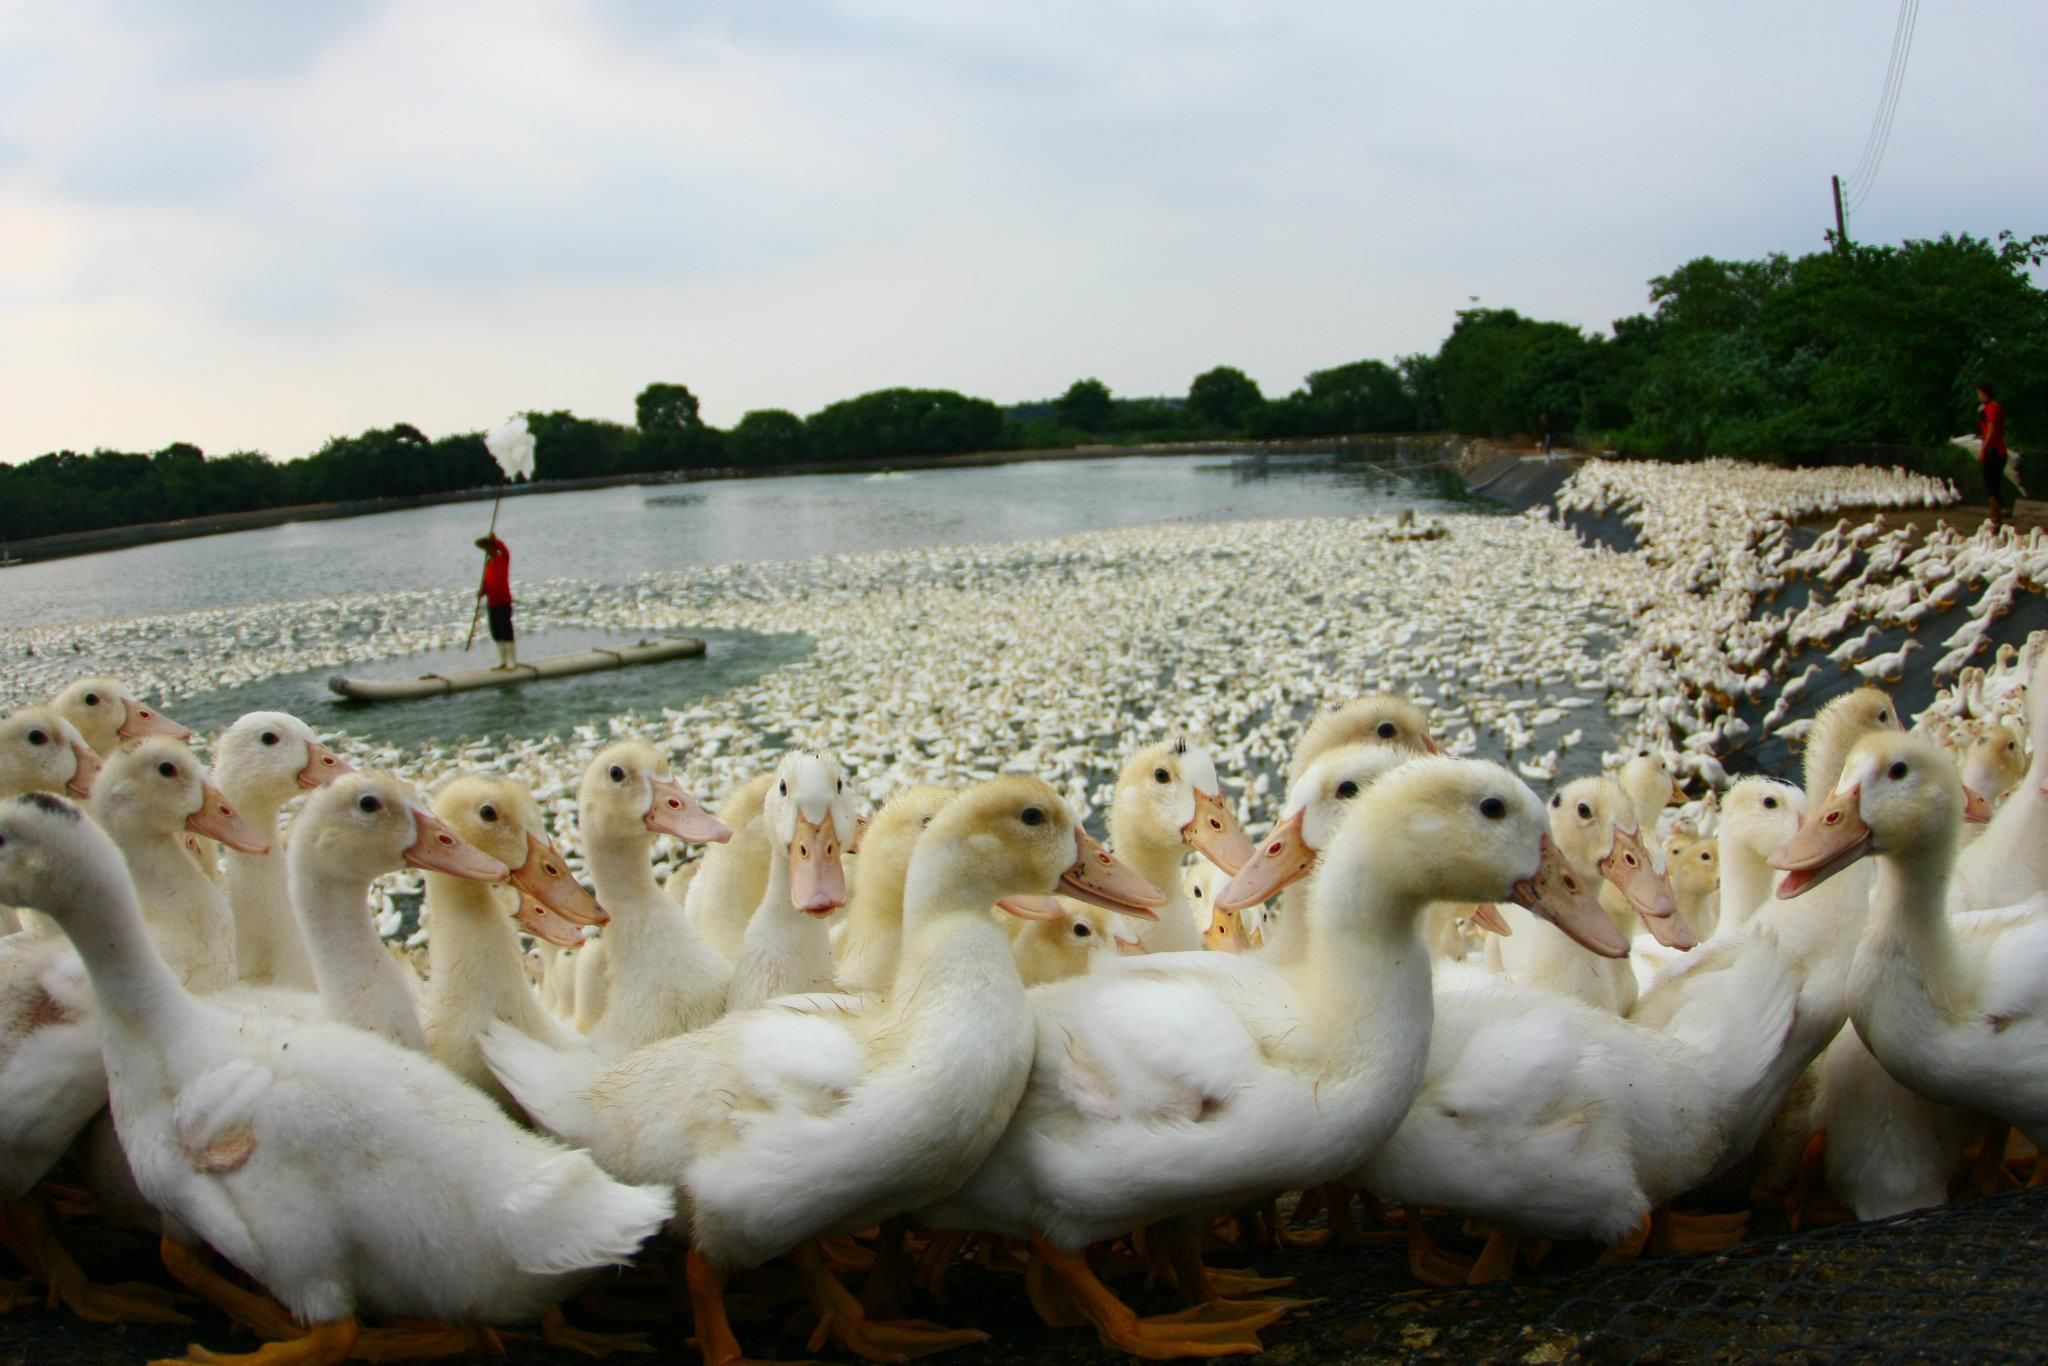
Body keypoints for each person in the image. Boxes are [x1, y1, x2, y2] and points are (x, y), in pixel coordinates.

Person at [475, 533, 517, 669]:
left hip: (504, 601)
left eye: (491, 548)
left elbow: (505, 550)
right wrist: (482, 592)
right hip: (492, 603)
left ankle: (512, 661)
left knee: (506, 630)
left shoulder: (502, 558)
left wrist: (495, 540)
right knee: (496, 632)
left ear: (495, 548)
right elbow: (487, 584)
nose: (489, 551)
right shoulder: (487, 565)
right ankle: (502, 661)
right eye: (487, 549)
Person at [1979, 382, 2009, 532]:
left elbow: (1991, 431)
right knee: (1995, 487)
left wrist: (1982, 449)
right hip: (2000, 452)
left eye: (1979, 393)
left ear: (1985, 394)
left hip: (1993, 452)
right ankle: (1998, 519)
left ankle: (1993, 521)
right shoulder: (1997, 407)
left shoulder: (1990, 408)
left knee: (1991, 488)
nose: (1978, 396)